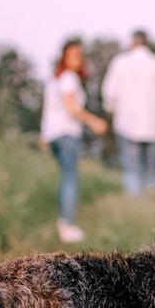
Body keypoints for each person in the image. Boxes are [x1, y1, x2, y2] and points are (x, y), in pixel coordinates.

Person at [40, 39, 108, 243]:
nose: (77, 60)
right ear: (64, 58)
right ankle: (67, 225)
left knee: (66, 176)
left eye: (79, 56)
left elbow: (48, 109)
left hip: (54, 133)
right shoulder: (69, 78)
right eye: (72, 56)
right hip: (67, 133)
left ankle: (64, 221)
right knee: (70, 177)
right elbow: (71, 108)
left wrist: (44, 135)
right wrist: (94, 121)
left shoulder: (55, 79)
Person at [101, 30, 155, 195]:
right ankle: (150, 201)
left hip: (126, 123)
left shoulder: (120, 62)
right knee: (151, 168)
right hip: (154, 124)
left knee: (131, 168)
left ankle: (135, 203)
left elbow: (110, 93)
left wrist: (110, 111)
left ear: (132, 42)